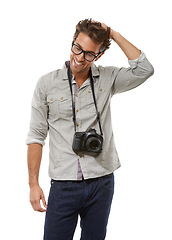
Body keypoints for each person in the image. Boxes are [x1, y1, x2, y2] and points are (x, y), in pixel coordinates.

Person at [26, 19, 154, 240]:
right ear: (72, 42)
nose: (79, 57)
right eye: (77, 47)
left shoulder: (108, 77)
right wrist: (33, 184)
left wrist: (112, 34)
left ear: (98, 56)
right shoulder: (46, 84)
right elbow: (36, 136)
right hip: (63, 185)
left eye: (89, 54)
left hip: (102, 182)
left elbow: (145, 70)